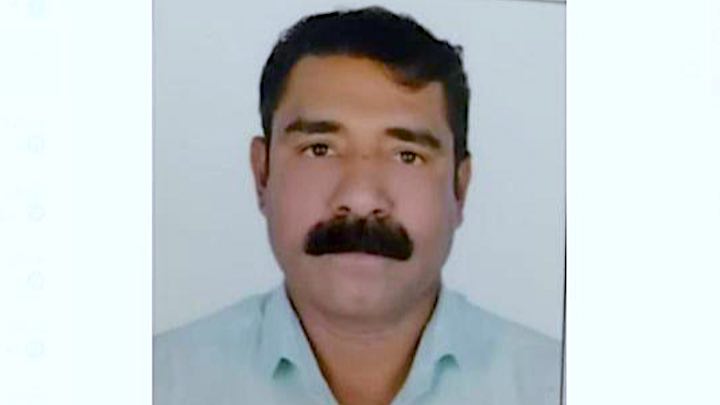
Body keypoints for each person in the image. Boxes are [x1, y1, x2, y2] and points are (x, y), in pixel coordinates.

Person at [154, 6, 561, 405]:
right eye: (320, 149)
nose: (361, 198)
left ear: (460, 188)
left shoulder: (557, 386)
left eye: (407, 156)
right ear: (262, 174)